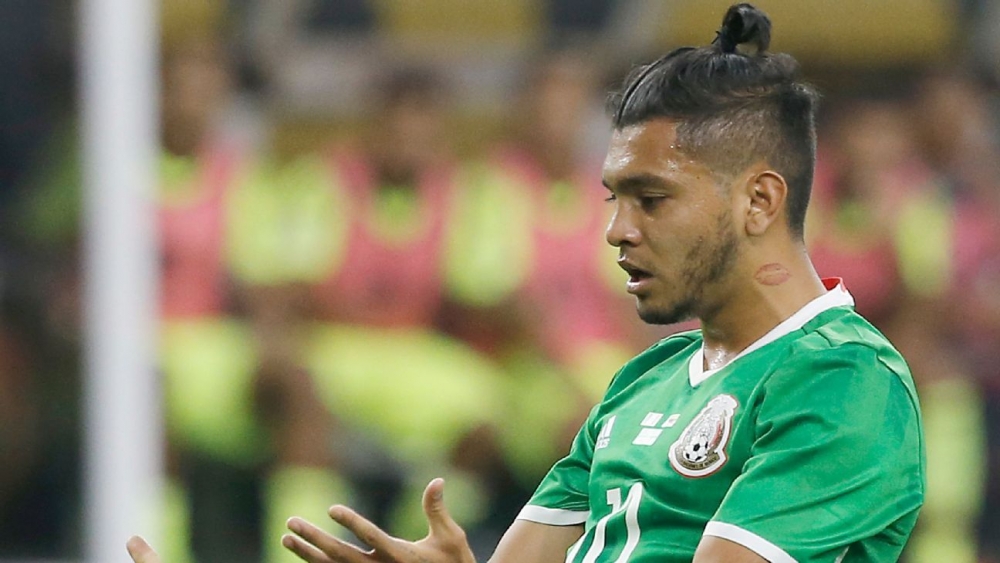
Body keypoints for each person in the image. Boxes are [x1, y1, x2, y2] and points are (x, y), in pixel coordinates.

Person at [127, 4, 925, 562]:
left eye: (651, 199)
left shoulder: (840, 379)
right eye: (613, 198)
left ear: (758, 201)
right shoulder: (640, 382)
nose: (616, 229)